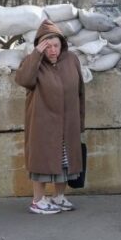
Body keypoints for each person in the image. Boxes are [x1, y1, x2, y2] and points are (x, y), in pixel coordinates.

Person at [15, 20, 85, 215]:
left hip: (68, 122)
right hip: (42, 123)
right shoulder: (33, 62)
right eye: (48, 46)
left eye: (56, 45)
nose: (53, 50)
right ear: (40, 46)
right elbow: (23, 80)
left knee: (66, 161)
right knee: (42, 162)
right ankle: (37, 201)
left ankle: (59, 197)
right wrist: (36, 54)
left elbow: (80, 91)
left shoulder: (71, 60)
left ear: (62, 45)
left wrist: (80, 121)